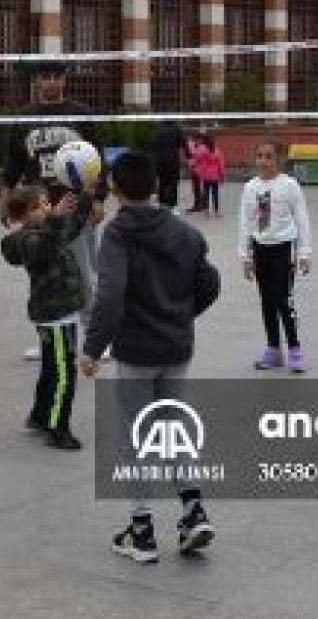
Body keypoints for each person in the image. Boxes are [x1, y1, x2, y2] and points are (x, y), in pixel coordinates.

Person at [80, 150, 221, 564]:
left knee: (133, 438)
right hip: (176, 348)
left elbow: (110, 296)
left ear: (115, 189)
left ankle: (141, 532)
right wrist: (179, 316)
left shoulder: (117, 234)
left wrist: (92, 349)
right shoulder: (185, 231)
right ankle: (193, 511)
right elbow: (210, 282)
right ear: (157, 185)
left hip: (137, 352)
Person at [0, 62, 104, 361]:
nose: (52, 82)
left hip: (75, 206)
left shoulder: (81, 114)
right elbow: (13, 162)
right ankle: (47, 337)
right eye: (46, 77)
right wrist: (6, 197)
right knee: (42, 276)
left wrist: (98, 198)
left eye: (57, 76)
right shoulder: (25, 118)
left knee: (84, 274)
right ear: (37, 81)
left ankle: (93, 340)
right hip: (40, 209)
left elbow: (97, 159)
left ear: (65, 79)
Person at [0, 186, 87, 450]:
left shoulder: (49, 231)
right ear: (25, 215)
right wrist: (56, 218)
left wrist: (85, 196)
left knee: (51, 368)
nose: (47, 208)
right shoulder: (27, 240)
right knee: (64, 373)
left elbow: (72, 228)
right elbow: (46, 246)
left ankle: (40, 416)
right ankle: (58, 427)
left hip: (61, 313)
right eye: (40, 205)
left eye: (48, 203)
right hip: (55, 315)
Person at [239, 142, 313, 373]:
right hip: (260, 249)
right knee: (266, 301)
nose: (263, 161)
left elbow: (301, 218)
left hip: (283, 248)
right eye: (260, 156)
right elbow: (245, 221)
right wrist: (245, 256)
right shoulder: (250, 187)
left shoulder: (289, 185)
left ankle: (295, 349)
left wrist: (304, 252)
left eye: (269, 157)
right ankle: (273, 350)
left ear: (279, 159)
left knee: (283, 299)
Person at [150, 119, 186, 211]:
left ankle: (162, 204)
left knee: (162, 182)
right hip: (172, 159)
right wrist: (188, 156)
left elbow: (153, 145)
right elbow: (183, 144)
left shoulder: (158, 129)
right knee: (173, 183)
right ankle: (172, 205)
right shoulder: (177, 129)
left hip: (160, 160)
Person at [189, 131, 227, 217]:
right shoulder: (217, 152)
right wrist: (222, 176)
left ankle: (206, 211)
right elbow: (221, 165)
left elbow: (196, 159)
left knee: (206, 193)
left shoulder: (202, 151)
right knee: (215, 193)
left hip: (206, 176)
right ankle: (216, 212)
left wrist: (195, 168)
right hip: (215, 176)